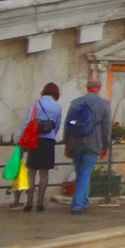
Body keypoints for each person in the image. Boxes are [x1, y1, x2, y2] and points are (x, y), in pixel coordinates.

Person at [65, 79, 112, 215]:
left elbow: (67, 125)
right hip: (93, 143)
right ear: (99, 88)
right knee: (85, 173)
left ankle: (83, 202)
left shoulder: (75, 103)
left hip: (75, 143)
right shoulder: (104, 104)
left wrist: (67, 145)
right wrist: (105, 146)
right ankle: (77, 205)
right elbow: (106, 127)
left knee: (80, 173)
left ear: (87, 88)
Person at [23, 83, 62, 212]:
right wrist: (51, 135)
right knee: (44, 173)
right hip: (48, 140)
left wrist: (21, 139)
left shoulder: (36, 104)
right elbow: (56, 126)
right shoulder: (57, 107)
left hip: (35, 139)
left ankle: (29, 202)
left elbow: (28, 122)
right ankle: (40, 203)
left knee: (31, 172)